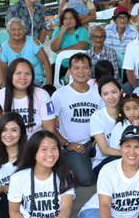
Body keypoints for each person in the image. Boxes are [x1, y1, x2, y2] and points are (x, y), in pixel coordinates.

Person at [41, 53, 101, 187]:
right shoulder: (59, 95)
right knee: (85, 180)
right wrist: (66, 144)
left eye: (85, 67)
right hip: (75, 145)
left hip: (96, 141)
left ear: (90, 71)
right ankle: (68, 163)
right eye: (76, 68)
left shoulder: (98, 92)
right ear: (69, 71)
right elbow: (49, 126)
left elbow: (105, 118)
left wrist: (100, 137)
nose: (81, 71)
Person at [0, 59, 51, 137]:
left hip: (36, 143)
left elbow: (49, 131)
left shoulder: (42, 95)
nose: (23, 77)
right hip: (8, 141)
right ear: (10, 75)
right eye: (18, 73)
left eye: (27, 73)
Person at [49, 9, 90, 76]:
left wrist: (61, 52)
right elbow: (54, 48)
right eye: (65, 18)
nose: (68, 21)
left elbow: (81, 46)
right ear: (62, 21)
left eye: (71, 18)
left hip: (78, 64)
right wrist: (62, 32)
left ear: (76, 19)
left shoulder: (82, 30)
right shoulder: (58, 31)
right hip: (61, 63)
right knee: (51, 72)